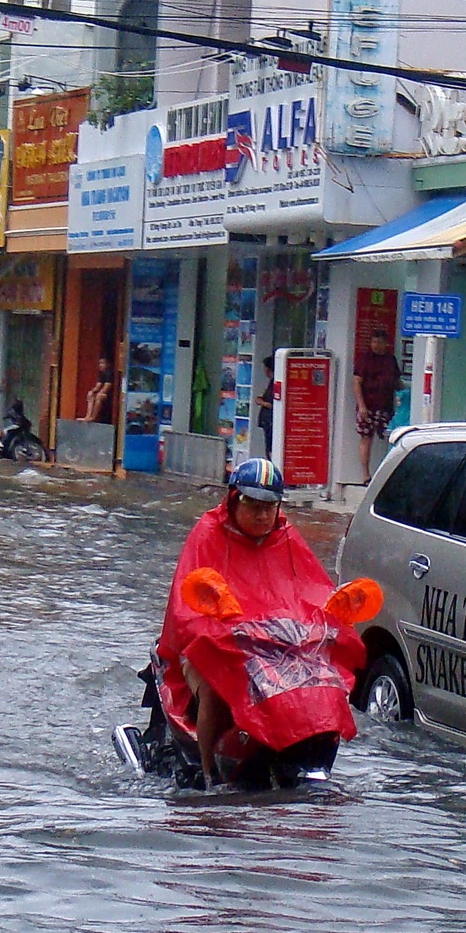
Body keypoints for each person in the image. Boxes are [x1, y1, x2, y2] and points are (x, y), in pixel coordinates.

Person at [155, 458, 358, 788]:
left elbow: (313, 588)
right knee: (215, 689)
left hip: (271, 646)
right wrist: (216, 627)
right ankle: (209, 774)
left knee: (324, 679)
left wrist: (331, 619)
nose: (263, 515)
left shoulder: (286, 538)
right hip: (215, 645)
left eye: (270, 506)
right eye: (253, 505)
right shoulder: (208, 534)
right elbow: (188, 601)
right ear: (234, 500)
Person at [354, 331, 403, 480]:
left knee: (390, 437)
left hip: (385, 405)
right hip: (368, 405)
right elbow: (356, 382)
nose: (376, 345)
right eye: (374, 342)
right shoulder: (364, 359)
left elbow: (397, 382)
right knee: (366, 437)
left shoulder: (390, 360)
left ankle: (388, 474)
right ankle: (365, 475)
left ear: (385, 344)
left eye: (379, 342)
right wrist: (361, 406)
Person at [83, 356, 115, 423]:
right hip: (103, 393)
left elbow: (106, 388)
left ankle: (93, 417)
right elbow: (98, 386)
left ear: (108, 364)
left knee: (99, 396)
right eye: (99, 363)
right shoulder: (102, 373)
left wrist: (98, 393)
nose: (100, 365)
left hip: (111, 395)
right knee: (90, 394)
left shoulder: (110, 373)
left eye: (102, 363)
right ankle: (88, 416)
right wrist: (92, 391)